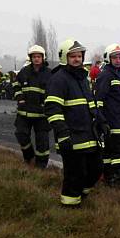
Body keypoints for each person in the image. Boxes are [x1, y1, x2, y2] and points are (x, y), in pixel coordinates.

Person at [45, 39, 107, 206]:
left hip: (89, 135)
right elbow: (53, 109)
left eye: (79, 56)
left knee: (96, 169)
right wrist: (63, 134)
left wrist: (101, 122)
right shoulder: (59, 79)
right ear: (65, 57)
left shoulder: (83, 78)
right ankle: (70, 207)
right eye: (73, 56)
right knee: (74, 175)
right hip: (71, 138)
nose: (77, 59)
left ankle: (82, 194)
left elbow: (91, 104)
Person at [95, 44, 120, 186]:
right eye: (114, 57)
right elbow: (98, 100)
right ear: (108, 58)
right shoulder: (106, 75)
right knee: (118, 149)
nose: (118, 60)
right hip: (112, 119)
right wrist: (101, 120)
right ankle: (114, 178)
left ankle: (113, 174)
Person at [13, 45, 52, 168]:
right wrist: (20, 98)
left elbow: (53, 91)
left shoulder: (49, 74)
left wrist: (46, 103)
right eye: (34, 56)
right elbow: (15, 84)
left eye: (39, 56)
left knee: (42, 141)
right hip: (24, 113)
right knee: (21, 135)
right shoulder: (24, 72)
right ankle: (29, 157)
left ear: (43, 58)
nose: (36, 59)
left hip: (42, 114)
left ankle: (41, 166)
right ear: (30, 58)